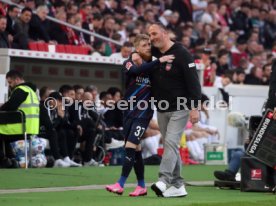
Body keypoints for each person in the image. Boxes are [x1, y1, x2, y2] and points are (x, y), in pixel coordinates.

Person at [105, 34, 174, 197]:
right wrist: (139, 58)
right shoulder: (129, 62)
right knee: (135, 149)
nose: (148, 47)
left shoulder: (155, 65)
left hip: (143, 114)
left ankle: (120, 184)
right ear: (136, 49)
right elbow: (137, 70)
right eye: (144, 45)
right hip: (128, 112)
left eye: (149, 44)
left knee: (129, 146)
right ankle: (141, 186)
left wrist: (157, 60)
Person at [148, 23, 202, 198]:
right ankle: (178, 185)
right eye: (149, 35)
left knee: (170, 142)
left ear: (165, 33)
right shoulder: (154, 53)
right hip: (162, 108)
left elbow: (194, 83)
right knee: (170, 145)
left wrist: (194, 108)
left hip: (180, 107)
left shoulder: (183, 54)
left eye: (154, 33)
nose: (152, 38)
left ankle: (163, 180)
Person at [0, 70, 39, 167]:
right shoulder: (31, 91)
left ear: (17, 80)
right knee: (3, 136)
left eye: (10, 82)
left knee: (1, 133)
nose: (9, 85)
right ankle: (11, 159)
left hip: (21, 128)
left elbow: (10, 106)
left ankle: (4, 160)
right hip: (31, 128)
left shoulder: (21, 90)